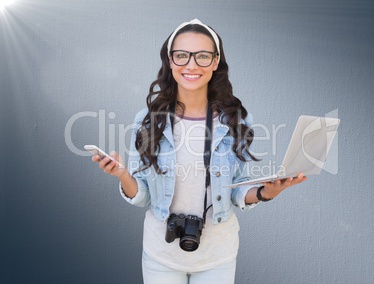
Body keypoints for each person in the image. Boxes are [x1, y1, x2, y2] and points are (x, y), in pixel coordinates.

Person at [91, 19, 307, 284]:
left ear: (216, 62)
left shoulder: (236, 120)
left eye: (202, 56)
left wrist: (265, 193)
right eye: (181, 56)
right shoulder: (148, 120)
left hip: (218, 256)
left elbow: (236, 188)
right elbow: (145, 196)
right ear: (170, 61)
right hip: (161, 255)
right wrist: (123, 175)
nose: (191, 65)